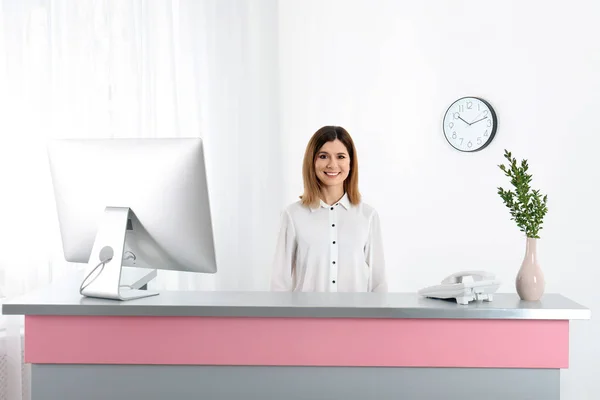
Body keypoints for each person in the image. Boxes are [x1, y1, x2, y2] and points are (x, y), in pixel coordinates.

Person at [270, 125, 387, 292]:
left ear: (351, 163)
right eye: (323, 156)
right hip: (306, 317)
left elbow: (379, 283)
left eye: (340, 156)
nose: (332, 164)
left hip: (355, 316)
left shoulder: (368, 216)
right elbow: (279, 284)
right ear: (312, 161)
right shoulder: (293, 215)